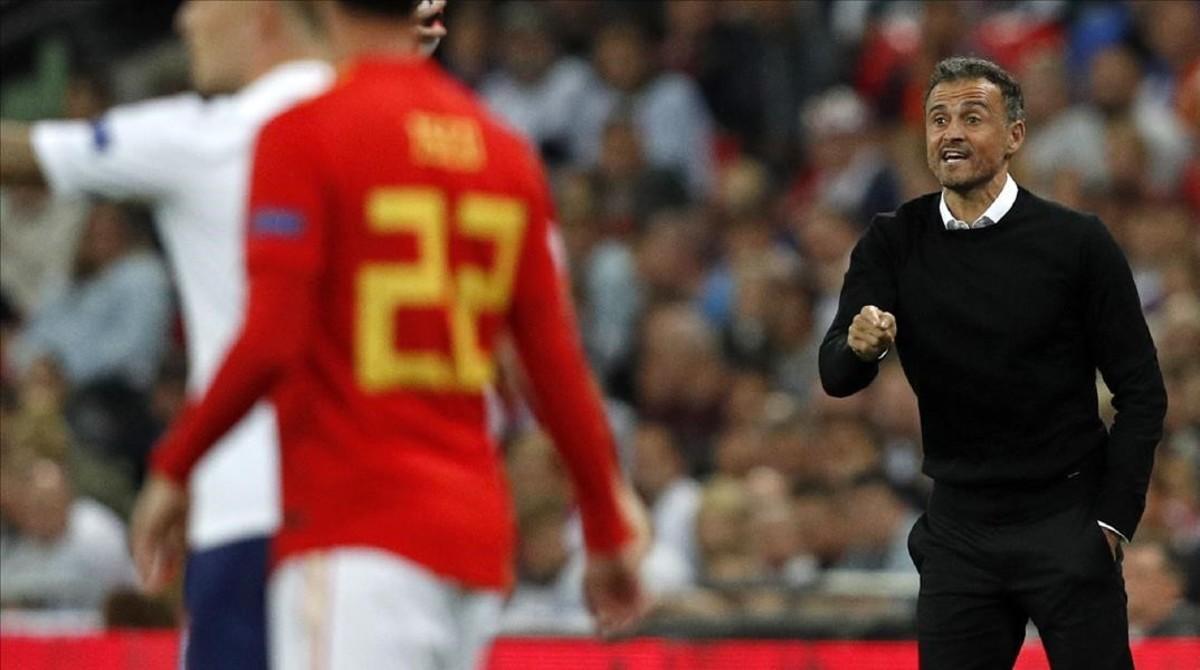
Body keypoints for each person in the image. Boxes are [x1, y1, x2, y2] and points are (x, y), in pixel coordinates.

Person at [131, 1, 649, 669]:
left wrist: (176, 465)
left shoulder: (303, 133)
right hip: (471, 546)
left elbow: (271, 338)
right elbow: (553, 366)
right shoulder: (502, 148)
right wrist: (605, 523)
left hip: (357, 533)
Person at [0, 2, 447, 668]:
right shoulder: (414, 131)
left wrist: (176, 466)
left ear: (262, 16)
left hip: (258, 514)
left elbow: (20, 155)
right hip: (400, 522)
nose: (183, 21)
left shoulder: (206, 138)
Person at [819, 56, 1167, 669]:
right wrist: (860, 345)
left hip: (1067, 517)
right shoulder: (892, 241)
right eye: (938, 119)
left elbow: (1142, 390)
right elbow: (836, 375)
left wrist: (1114, 521)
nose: (950, 133)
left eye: (972, 118)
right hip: (959, 528)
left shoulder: (1076, 242)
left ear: (1015, 135)